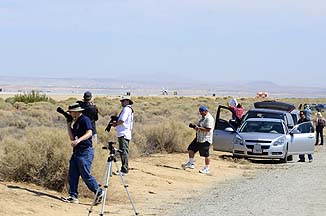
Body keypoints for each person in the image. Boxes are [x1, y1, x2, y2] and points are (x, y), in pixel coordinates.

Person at [63, 102, 103, 204]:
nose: (70, 114)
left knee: (85, 175)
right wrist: (68, 125)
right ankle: (73, 196)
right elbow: (72, 137)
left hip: (85, 152)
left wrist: (79, 140)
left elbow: (89, 133)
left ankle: (99, 192)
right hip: (77, 152)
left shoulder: (85, 120)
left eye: (71, 112)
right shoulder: (76, 122)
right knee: (73, 174)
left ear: (76, 112)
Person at [182, 105, 215, 174]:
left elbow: (208, 129)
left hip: (205, 139)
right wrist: (195, 127)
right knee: (191, 149)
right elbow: (201, 126)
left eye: (202, 112)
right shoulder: (203, 118)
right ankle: (191, 163)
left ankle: (207, 168)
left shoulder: (209, 119)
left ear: (206, 111)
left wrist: (199, 128)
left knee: (206, 154)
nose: (201, 113)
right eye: (200, 112)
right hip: (199, 138)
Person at [112, 95, 134, 176]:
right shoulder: (129, 109)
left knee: (123, 151)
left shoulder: (126, 109)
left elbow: (122, 120)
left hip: (123, 133)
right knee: (123, 151)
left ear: (127, 101)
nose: (122, 102)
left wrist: (115, 124)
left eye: (123, 101)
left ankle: (124, 169)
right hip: (124, 133)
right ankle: (124, 168)